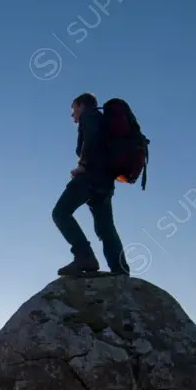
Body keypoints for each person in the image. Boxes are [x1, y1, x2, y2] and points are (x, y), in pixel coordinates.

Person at [52, 93, 130, 277]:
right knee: (105, 228)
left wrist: (82, 166)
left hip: (90, 177)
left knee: (60, 212)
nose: (73, 116)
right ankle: (120, 270)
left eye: (74, 109)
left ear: (81, 105)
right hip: (105, 183)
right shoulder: (104, 121)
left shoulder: (90, 116)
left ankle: (84, 256)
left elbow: (92, 139)